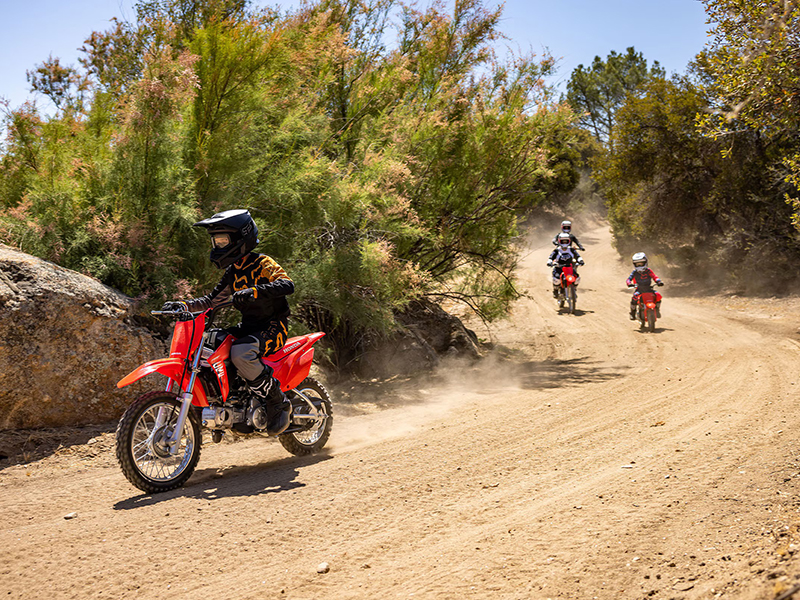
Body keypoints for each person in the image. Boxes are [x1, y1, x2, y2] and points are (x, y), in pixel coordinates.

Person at [161, 209, 294, 436]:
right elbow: (211, 300)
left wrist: (255, 291)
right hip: (250, 328)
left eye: (223, 240)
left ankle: (278, 402)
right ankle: (233, 401)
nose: (218, 246)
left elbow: (288, 284)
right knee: (210, 343)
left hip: (273, 327)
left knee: (241, 353)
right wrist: (183, 306)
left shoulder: (263, 263)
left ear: (241, 237)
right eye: (216, 241)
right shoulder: (233, 271)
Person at [626, 252, 664, 320]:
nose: (640, 265)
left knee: (658, 296)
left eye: (641, 263)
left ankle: (657, 310)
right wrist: (629, 284)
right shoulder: (634, 272)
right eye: (637, 264)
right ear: (634, 264)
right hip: (639, 289)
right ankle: (632, 313)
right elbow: (629, 279)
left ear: (645, 262)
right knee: (634, 297)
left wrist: (659, 281)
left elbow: (654, 276)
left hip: (649, 288)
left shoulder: (648, 271)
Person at [548, 233, 584, 297]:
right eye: (562, 241)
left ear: (569, 241)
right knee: (556, 279)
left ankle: (574, 289)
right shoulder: (557, 250)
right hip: (559, 267)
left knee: (577, 278)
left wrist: (581, 261)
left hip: (569, 267)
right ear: (559, 241)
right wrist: (550, 262)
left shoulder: (571, 249)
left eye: (566, 241)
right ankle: (555, 291)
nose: (564, 242)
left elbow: (578, 256)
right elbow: (551, 257)